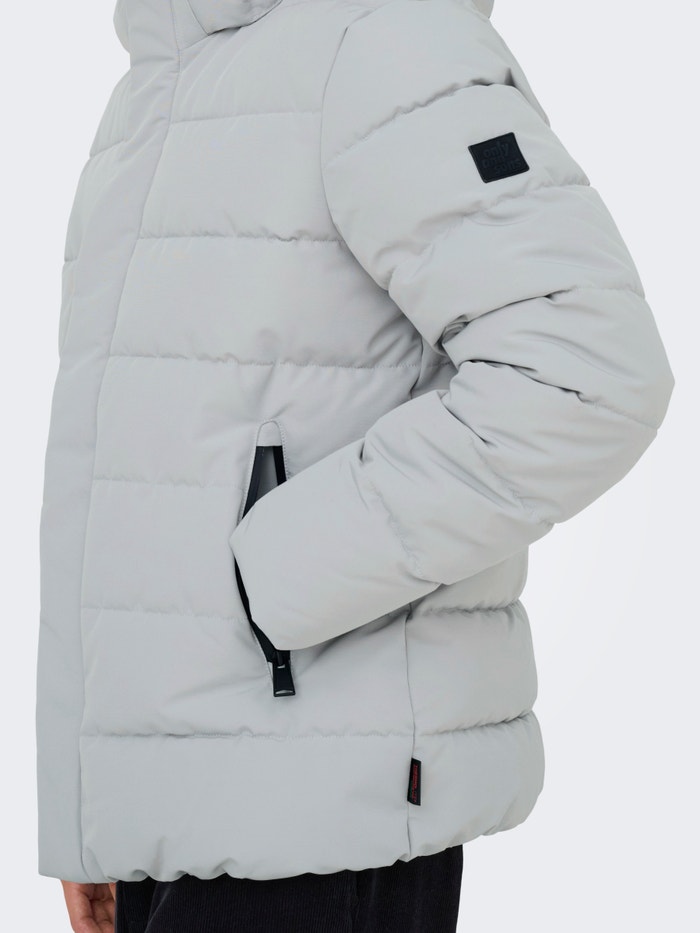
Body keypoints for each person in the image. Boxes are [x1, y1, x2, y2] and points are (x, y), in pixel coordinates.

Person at [37, 0, 675, 930]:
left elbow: (585, 371)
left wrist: (276, 576)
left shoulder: (384, 41)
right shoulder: (160, 83)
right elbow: (110, 480)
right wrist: (95, 821)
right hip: (174, 824)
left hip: (323, 819)